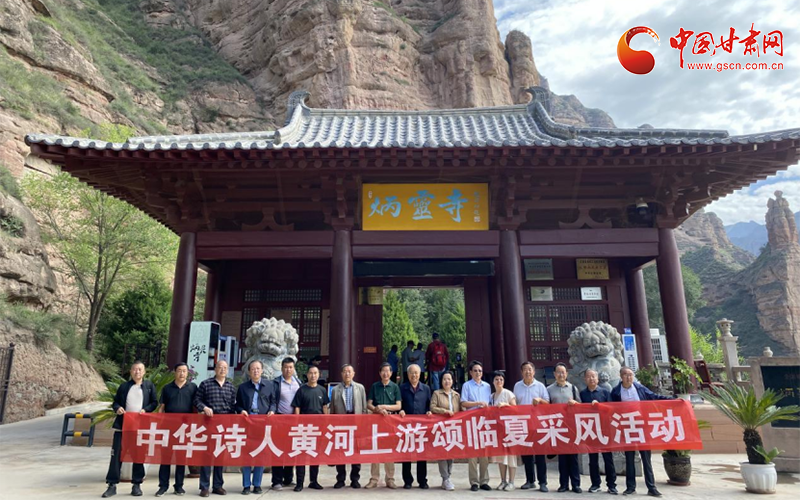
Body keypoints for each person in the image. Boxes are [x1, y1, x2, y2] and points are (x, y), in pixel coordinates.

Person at [611, 366, 672, 497]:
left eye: (631, 374)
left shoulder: (639, 388)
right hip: (627, 427)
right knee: (629, 459)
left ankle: (651, 487)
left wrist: (672, 400)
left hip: (642, 426)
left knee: (646, 459)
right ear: (621, 377)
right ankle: (630, 487)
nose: (629, 377)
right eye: (626, 375)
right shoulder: (616, 392)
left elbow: (654, 397)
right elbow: (611, 408)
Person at [102, 360, 157, 498]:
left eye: (140, 369)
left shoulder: (149, 386)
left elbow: (154, 402)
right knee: (116, 456)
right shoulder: (124, 386)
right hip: (122, 427)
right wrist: (118, 408)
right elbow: (115, 402)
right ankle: (112, 485)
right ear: (131, 371)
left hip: (140, 428)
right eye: (134, 369)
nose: (137, 372)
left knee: (138, 456)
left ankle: (136, 485)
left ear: (144, 372)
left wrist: (146, 410)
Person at [194, 360, 236, 497]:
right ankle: (204, 487)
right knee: (207, 455)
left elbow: (233, 406)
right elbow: (196, 400)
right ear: (215, 369)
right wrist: (204, 408)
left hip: (224, 425)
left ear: (227, 370)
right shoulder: (206, 384)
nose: (222, 370)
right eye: (220, 367)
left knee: (220, 456)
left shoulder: (231, 387)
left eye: (225, 368)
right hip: (209, 423)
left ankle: (218, 486)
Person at [155, 362, 198, 497]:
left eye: (184, 371)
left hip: (184, 429)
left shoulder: (193, 387)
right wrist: (158, 423)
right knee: (165, 458)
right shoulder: (167, 388)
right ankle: (163, 486)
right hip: (168, 428)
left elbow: (196, 406)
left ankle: (179, 486)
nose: (182, 373)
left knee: (181, 458)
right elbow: (162, 407)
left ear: (187, 373)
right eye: (179, 370)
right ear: (175, 372)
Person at [235, 360, 277, 495]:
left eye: (258, 369)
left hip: (263, 423)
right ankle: (246, 485)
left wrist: (272, 410)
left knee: (261, 454)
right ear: (249, 371)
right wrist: (241, 410)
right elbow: (238, 405)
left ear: (262, 370)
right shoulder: (243, 387)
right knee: (246, 454)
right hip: (247, 423)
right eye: (253, 369)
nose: (256, 371)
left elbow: (273, 402)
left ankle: (257, 484)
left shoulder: (269, 385)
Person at [291, 365, 329, 492]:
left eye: (315, 373)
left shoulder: (322, 390)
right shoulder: (301, 390)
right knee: (301, 456)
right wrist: (297, 423)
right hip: (303, 428)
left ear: (319, 375)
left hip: (317, 428)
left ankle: (314, 481)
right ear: (307, 375)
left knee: (315, 455)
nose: (313, 375)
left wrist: (326, 422)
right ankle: (299, 483)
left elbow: (325, 407)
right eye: (311, 373)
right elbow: (297, 407)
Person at [580, 369, 618, 495]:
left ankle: (611, 485)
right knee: (593, 460)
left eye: (593, 376)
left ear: (597, 379)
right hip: (590, 430)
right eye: (589, 376)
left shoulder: (605, 392)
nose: (591, 379)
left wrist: (599, 405)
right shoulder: (582, 394)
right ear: (585, 379)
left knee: (608, 459)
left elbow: (611, 409)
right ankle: (595, 484)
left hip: (604, 429)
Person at [514, 361, 550, 492]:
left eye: (530, 369)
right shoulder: (517, 386)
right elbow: (514, 404)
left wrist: (540, 400)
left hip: (538, 425)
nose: (527, 372)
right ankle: (530, 480)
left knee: (540, 455)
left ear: (534, 372)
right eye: (525, 369)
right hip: (524, 425)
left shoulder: (540, 386)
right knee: (527, 454)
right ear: (521, 372)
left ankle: (543, 482)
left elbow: (548, 404)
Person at [330, 364, 368, 489]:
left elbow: (364, 408)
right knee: (340, 451)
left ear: (353, 373)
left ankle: (355, 479)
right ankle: (340, 479)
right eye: (345, 371)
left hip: (356, 422)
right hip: (341, 424)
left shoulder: (360, 388)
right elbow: (332, 410)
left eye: (349, 371)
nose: (347, 374)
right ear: (341, 374)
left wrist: (363, 424)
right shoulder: (335, 390)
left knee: (356, 450)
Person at [365, 362, 402, 489]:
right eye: (383, 371)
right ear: (380, 373)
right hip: (376, 421)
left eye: (388, 371)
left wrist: (384, 407)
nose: (385, 373)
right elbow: (369, 404)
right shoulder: (375, 386)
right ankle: (374, 479)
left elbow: (398, 405)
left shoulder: (395, 387)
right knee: (375, 449)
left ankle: (390, 479)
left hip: (390, 421)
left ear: (391, 373)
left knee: (389, 450)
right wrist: (377, 409)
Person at [547, 362, 581, 493]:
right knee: (562, 459)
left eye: (563, 372)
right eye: (558, 372)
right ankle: (564, 484)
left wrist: (575, 403)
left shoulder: (573, 388)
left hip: (571, 427)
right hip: (557, 427)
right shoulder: (549, 389)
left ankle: (576, 484)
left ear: (567, 374)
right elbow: (546, 407)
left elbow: (581, 406)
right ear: (554, 374)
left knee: (573, 458)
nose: (561, 375)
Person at [461, 360, 492, 491]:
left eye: (480, 371)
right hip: (472, 421)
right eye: (475, 371)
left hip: (484, 422)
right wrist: (477, 403)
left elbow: (490, 403)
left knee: (484, 453)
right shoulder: (466, 385)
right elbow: (463, 402)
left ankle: (484, 480)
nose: (478, 373)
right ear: (470, 372)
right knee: (473, 453)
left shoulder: (487, 386)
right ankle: (474, 482)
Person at [399, 364, 432, 489]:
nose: (414, 375)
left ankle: (422, 480)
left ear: (420, 374)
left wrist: (429, 411)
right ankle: (407, 481)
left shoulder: (426, 388)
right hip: (406, 426)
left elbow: (429, 405)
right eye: (411, 373)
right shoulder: (402, 388)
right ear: (407, 375)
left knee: (421, 454)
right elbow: (399, 404)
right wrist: (400, 410)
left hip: (421, 427)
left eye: (416, 373)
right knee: (406, 454)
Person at [271, 357, 302, 491]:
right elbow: (272, 399)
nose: (288, 370)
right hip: (279, 419)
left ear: (293, 368)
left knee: (292, 450)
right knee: (278, 450)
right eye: (286, 367)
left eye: (290, 367)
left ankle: (288, 478)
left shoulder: (298, 382)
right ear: (281, 368)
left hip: (294, 420)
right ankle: (277, 481)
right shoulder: (276, 383)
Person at [430, 371, 461, 491]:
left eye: (449, 379)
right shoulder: (436, 393)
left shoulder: (456, 395)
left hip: (453, 428)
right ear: (441, 381)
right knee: (442, 453)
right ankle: (445, 478)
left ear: (452, 381)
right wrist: (444, 411)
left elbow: (461, 410)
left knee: (451, 453)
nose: (447, 381)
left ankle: (448, 476)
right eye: (444, 379)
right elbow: (432, 407)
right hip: (441, 428)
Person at [490, 371, 518, 491]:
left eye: (501, 379)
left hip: (510, 429)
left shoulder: (508, 394)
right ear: (493, 381)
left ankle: (512, 481)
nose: (499, 381)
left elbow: (516, 410)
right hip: (498, 430)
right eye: (496, 379)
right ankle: (503, 480)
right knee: (500, 457)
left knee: (511, 456)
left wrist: (506, 405)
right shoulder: (492, 396)